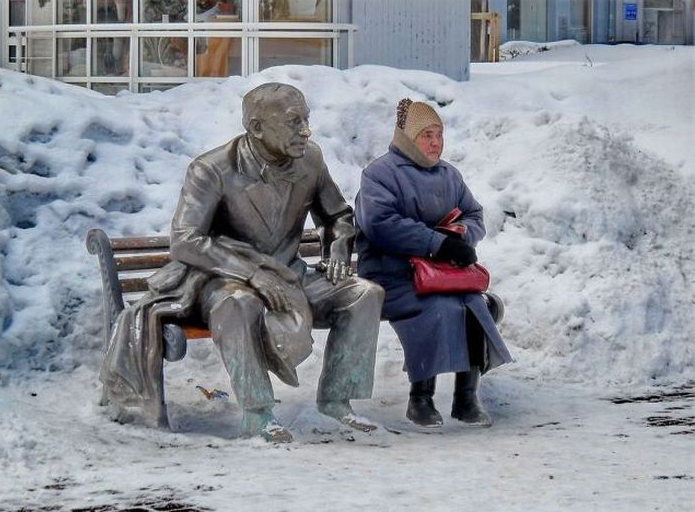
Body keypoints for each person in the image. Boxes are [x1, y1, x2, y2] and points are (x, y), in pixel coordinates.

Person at [100, 83, 383, 443]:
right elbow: (185, 240)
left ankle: (336, 401)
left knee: (364, 294)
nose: (306, 131)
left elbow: (337, 216)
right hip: (222, 280)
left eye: (306, 120)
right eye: (294, 122)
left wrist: (338, 251)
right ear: (256, 127)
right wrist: (251, 273)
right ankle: (257, 413)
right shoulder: (211, 169)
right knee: (239, 303)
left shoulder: (310, 160)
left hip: (288, 275)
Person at [354, 99, 512, 428]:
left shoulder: (449, 175)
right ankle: (420, 399)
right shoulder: (380, 174)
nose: (435, 142)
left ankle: (466, 398)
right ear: (409, 138)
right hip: (392, 275)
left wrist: (461, 236)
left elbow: (474, 214)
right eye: (427, 135)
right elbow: (380, 224)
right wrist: (436, 244)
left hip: (441, 275)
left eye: (439, 135)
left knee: (475, 305)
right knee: (437, 308)